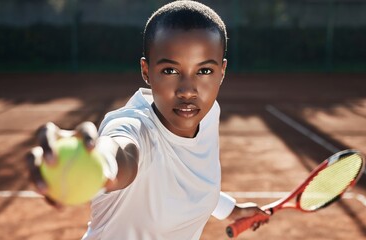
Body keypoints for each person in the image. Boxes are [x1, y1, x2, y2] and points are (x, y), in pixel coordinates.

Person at [26, 1, 268, 239]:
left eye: (204, 71)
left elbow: (189, 179)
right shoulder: (134, 127)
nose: (187, 91)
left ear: (222, 72)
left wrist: (231, 210)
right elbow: (120, 151)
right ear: (146, 71)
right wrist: (100, 161)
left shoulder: (207, 113)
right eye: (170, 71)